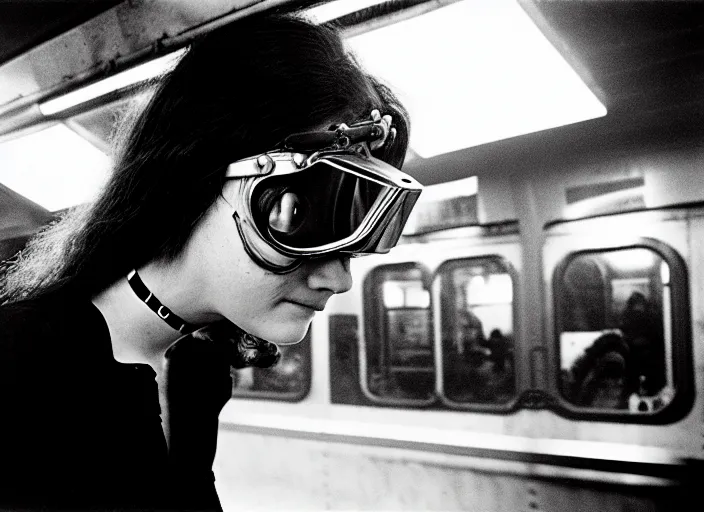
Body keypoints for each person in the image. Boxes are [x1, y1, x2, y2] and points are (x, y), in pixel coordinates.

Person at [0, 12, 420, 511]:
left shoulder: (199, 373)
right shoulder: (17, 358)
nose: (338, 277)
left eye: (352, 238)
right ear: (196, 174)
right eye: (297, 213)